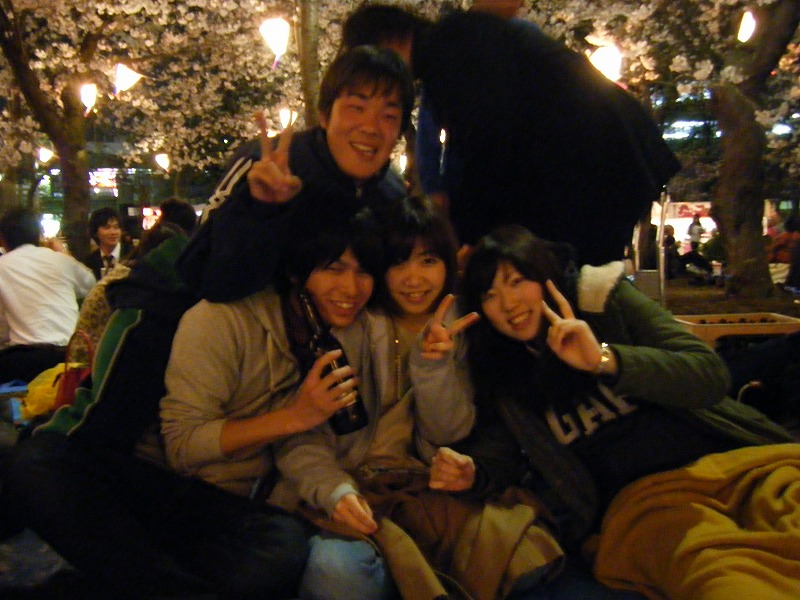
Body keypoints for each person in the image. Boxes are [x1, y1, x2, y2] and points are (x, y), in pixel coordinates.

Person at [1, 204, 381, 599]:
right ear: (296, 271)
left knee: (282, 551)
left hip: (236, 508)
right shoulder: (222, 319)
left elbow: (304, 446)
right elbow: (183, 446)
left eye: (365, 271)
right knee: (35, 464)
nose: (351, 289)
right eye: (334, 269)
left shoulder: (343, 333)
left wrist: (332, 484)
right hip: (170, 486)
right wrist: (295, 416)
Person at [418, 225, 799, 599]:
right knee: (725, 578)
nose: (508, 304)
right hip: (650, 502)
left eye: (517, 282)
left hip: (738, 461)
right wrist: (473, 474)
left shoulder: (601, 298)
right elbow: (499, 456)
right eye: (490, 295)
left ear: (544, 274)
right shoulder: (504, 373)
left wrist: (606, 359)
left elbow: (709, 376)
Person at [341, 3, 681, 267]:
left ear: (388, 40)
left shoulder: (452, 51)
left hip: (601, 165)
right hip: (611, 158)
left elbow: (486, 143)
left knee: (574, 277)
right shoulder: (457, 43)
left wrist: (465, 233)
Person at [177, 45, 414, 302]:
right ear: (324, 116)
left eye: (389, 115)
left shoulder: (393, 194)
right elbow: (203, 279)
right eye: (356, 107)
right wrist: (262, 209)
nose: (370, 127)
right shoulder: (267, 167)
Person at [0, 208, 95, 383]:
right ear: (37, 235)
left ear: (3, 238)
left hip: (26, 360)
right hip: (70, 355)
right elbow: (91, 285)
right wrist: (64, 254)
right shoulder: (60, 260)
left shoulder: (2, 266)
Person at [82, 207, 133, 280]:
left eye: (116, 227)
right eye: (107, 227)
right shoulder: (89, 262)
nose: (113, 232)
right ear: (96, 232)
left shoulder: (133, 255)